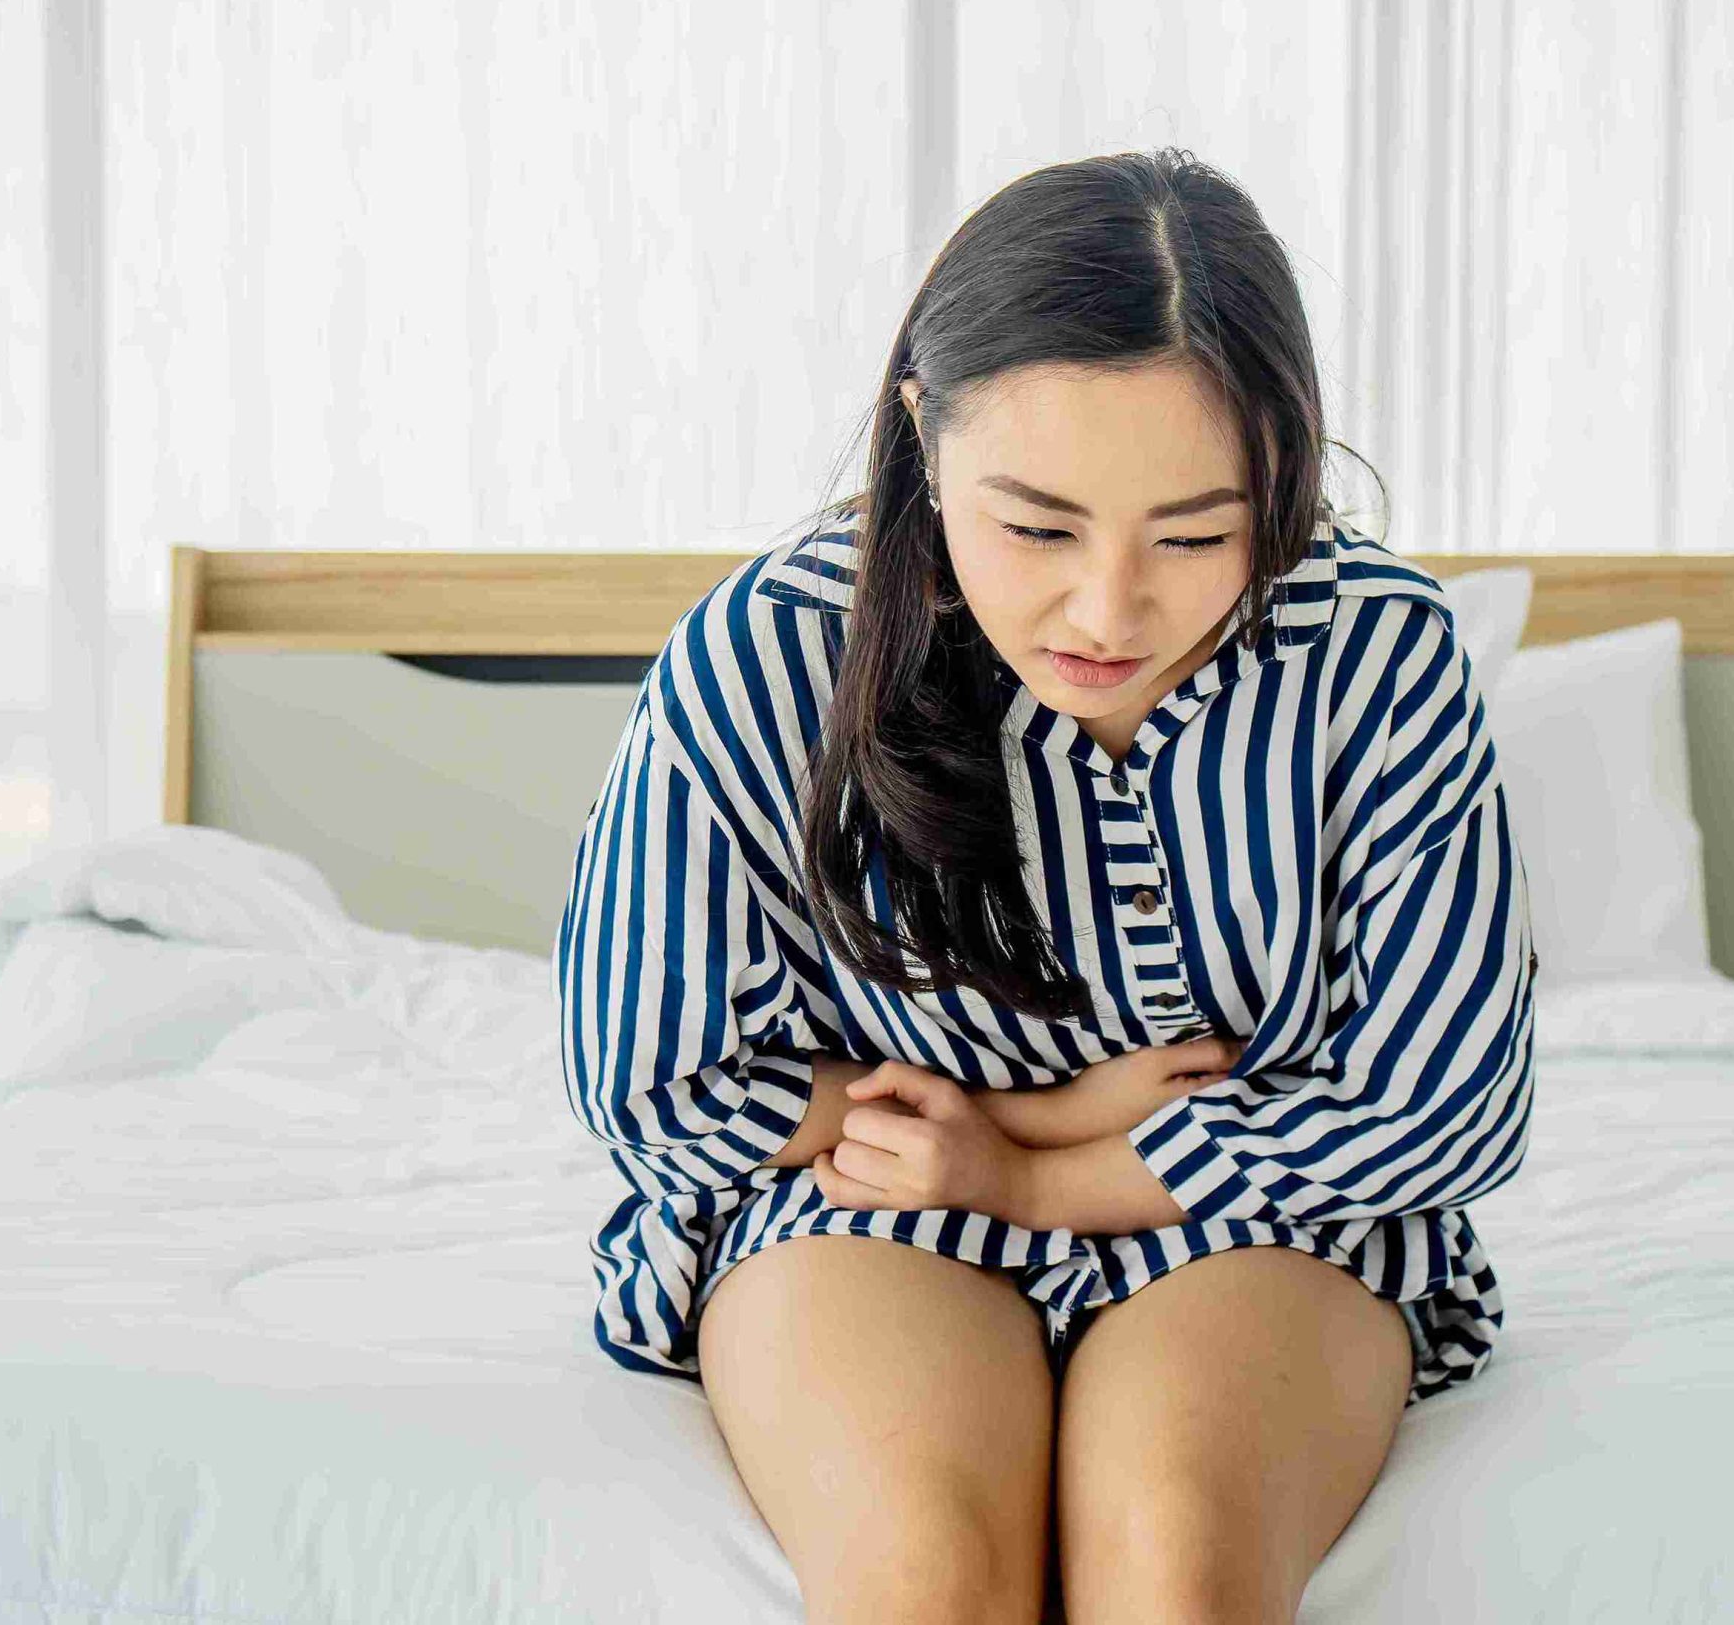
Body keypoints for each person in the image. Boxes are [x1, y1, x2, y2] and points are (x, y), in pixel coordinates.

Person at [553, 147, 1537, 1625]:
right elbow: (648, 1077)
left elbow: (1442, 1109)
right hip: (859, 1207)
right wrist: (1011, 1127)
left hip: (1268, 1218)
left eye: (1199, 535)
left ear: (1287, 472)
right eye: (1038, 526)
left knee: (1176, 1564)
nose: (1107, 610)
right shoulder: (772, 651)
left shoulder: (1379, 655)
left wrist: (1040, 1168)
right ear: (925, 438)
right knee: (924, 1581)